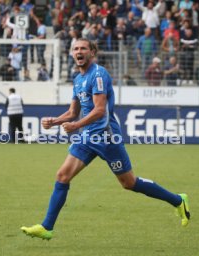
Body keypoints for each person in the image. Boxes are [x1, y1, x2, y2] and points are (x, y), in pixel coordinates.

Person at [21, 38, 190, 241]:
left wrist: (76, 126)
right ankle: (47, 227)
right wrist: (55, 121)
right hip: (87, 137)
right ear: (72, 54)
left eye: (83, 48)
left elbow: (100, 110)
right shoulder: (77, 79)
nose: (79, 51)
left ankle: (178, 200)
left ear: (92, 52)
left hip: (106, 137)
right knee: (62, 176)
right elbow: (73, 112)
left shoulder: (99, 74)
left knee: (129, 183)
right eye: (75, 49)